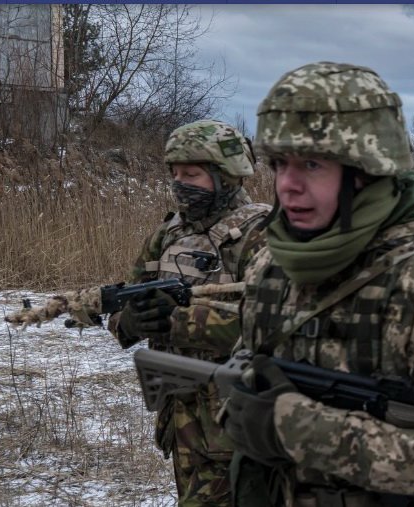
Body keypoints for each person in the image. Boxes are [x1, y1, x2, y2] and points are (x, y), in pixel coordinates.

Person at [221, 62, 414, 505]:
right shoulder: (270, 265)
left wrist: (296, 428)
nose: (287, 186)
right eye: (279, 164)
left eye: (311, 164)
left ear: (365, 170)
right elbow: (246, 375)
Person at [111, 119, 271, 506]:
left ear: (227, 175)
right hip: (180, 416)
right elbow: (127, 301)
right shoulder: (168, 235)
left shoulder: (263, 234)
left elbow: (275, 328)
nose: (180, 183)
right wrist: (128, 322)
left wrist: (179, 321)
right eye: (176, 173)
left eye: (193, 174)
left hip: (234, 420)